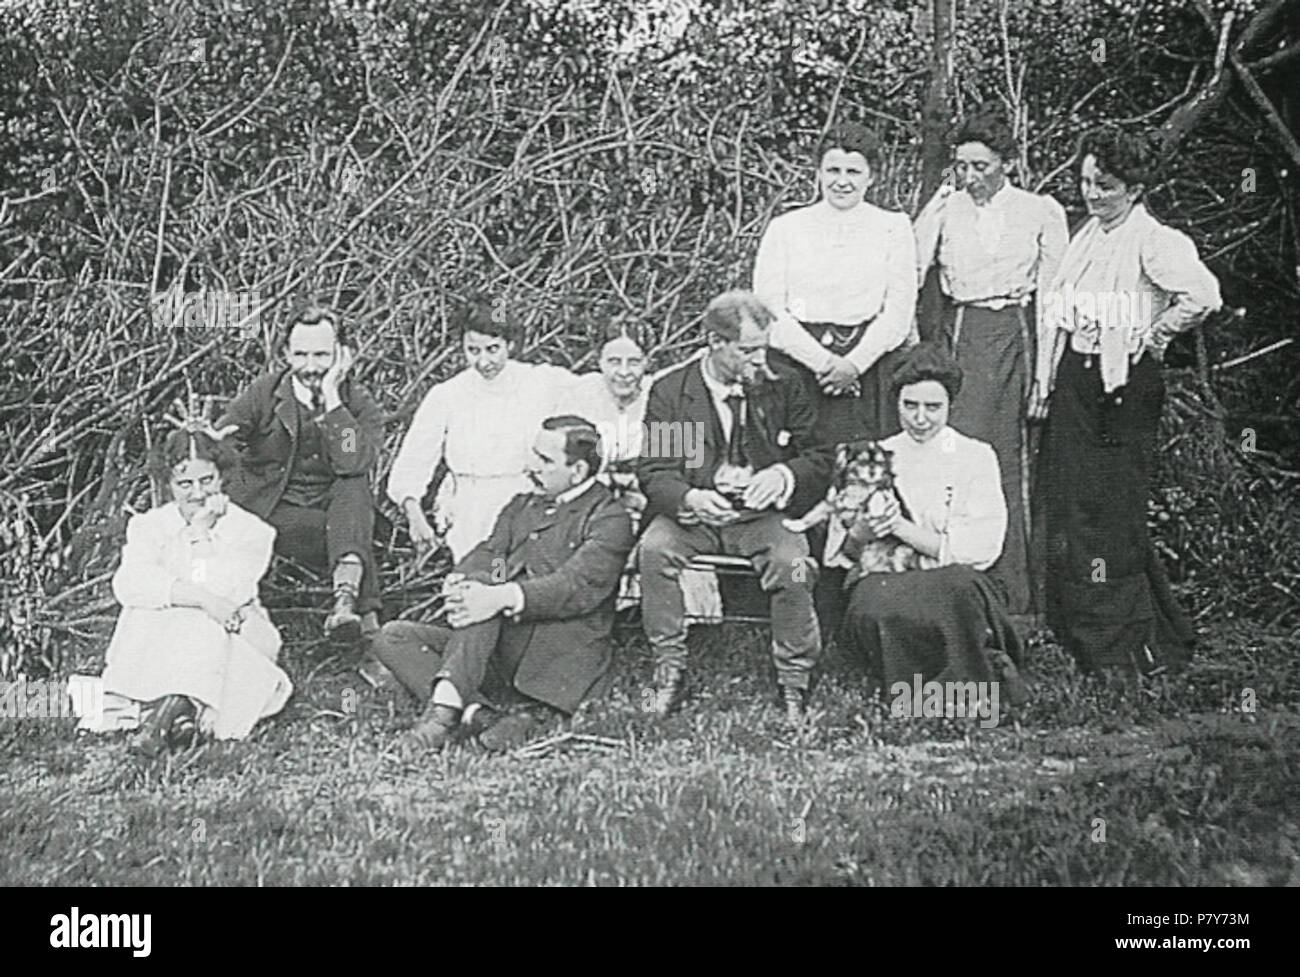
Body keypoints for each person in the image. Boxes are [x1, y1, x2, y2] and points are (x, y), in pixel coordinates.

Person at [1031, 128, 1221, 676]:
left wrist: (1157, 334)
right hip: (1077, 380)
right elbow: (1057, 315)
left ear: (1135, 189)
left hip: (1124, 387)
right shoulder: (1087, 237)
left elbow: (1204, 295)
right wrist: (1046, 383)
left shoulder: (1156, 240)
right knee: (1072, 505)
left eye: (1105, 185)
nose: (1091, 194)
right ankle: (1078, 630)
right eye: (1086, 181)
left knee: (1113, 510)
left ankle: (1126, 643)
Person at [371, 416, 635, 753]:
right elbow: (494, 556)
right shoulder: (521, 506)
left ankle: (442, 717)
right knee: (393, 636)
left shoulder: (608, 519)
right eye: (534, 455)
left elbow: (574, 586)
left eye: (544, 460)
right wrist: (463, 580)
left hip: (555, 655)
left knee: (484, 593)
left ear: (578, 471)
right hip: (496, 643)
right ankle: (477, 714)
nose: (531, 466)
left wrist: (500, 595)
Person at [637, 290, 832, 724]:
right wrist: (690, 497)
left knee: (793, 563)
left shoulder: (782, 384)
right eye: (748, 351)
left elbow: (818, 458)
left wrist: (783, 476)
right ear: (714, 342)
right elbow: (656, 470)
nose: (759, 360)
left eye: (764, 347)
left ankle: (795, 677)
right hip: (696, 517)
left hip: (764, 518)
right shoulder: (675, 392)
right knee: (654, 551)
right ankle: (669, 667)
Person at [913, 107, 1069, 617]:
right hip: (961, 337)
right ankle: (947, 586)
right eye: (962, 166)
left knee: (1008, 461)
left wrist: (1044, 374)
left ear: (1007, 162)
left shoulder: (1039, 210)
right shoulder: (945, 207)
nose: (971, 177)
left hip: (1014, 338)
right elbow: (910, 272)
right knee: (955, 456)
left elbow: (1054, 296)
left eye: (981, 165)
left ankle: (1012, 598)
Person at [83, 429, 291, 755]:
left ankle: (165, 715)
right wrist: (202, 598)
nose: (197, 493)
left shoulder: (251, 531)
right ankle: (179, 713)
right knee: (158, 612)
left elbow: (229, 590)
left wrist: (201, 536)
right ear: (169, 485)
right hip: (172, 630)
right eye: (185, 484)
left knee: (198, 621)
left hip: (236, 627)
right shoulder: (149, 526)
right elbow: (130, 584)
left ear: (221, 477)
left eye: (207, 480)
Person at [840, 344, 1026, 696]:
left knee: (956, 589)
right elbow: (845, 554)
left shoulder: (975, 456)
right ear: (897, 402)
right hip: (890, 579)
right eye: (910, 406)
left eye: (932, 407)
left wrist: (901, 529)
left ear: (950, 406)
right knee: (876, 600)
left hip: (951, 579)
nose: (920, 419)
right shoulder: (875, 456)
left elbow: (980, 549)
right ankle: (917, 694)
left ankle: (964, 692)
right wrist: (863, 532)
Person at [215, 303, 385, 643]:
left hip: (334, 509)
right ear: (285, 354)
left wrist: (333, 400)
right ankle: (364, 622)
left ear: (342, 354)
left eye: (322, 355)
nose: (311, 367)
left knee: (353, 487)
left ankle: (345, 604)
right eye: (301, 354)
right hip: (278, 510)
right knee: (352, 532)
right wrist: (232, 485)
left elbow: (353, 461)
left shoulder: (356, 401)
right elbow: (221, 442)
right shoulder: (264, 392)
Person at [753, 121, 917, 446]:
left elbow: (898, 312)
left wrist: (853, 366)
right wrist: (825, 364)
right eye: (833, 170)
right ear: (819, 172)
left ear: (871, 176)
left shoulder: (893, 228)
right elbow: (770, 312)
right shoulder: (786, 228)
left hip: (868, 368)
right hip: (799, 364)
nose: (842, 182)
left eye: (853, 172)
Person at [387, 301, 575, 563]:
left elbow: (596, 395)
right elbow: (414, 461)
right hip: (469, 508)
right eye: (473, 351)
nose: (484, 361)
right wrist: (414, 514)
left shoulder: (543, 383)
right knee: (480, 577)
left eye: (493, 349)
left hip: (528, 501)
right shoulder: (447, 395)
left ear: (510, 344)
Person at [566, 324, 651, 515]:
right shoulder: (581, 394)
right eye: (614, 361)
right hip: (589, 502)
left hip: (644, 499)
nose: (623, 372)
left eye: (634, 362)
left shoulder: (658, 395)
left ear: (647, 362)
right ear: (600, 362)